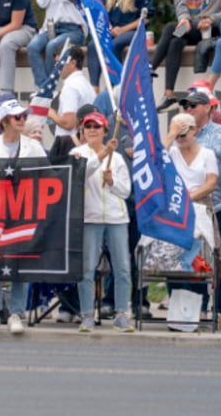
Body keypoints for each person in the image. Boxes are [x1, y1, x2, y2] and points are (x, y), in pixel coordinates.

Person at [0, 96, 47, 335]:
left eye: (24, 116)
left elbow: (48, 176)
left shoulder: (33, 146)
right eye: (18, 116)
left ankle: (17, 313)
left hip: (23, 213)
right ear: (5, 119)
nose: (22, 120)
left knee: (20, 261)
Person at [69, 111, 132, 333]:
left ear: (106, 131)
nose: (92, 130)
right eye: (88, 126)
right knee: (87, 269)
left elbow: (126, 191)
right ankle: (87, 314)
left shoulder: (119, 158)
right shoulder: (77, 153)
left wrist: (112, 181)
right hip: (89, 218)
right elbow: (78, 175)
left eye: (97, 126)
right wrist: (103, 154)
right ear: (82, 131)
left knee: (122, 267)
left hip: (116, 219)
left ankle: (121, 313)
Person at [163, 112, 220, 322]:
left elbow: (211, 182)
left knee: (198, 258)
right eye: (176, 133)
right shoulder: (172, 153)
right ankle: (176, 305)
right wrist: (171, 135)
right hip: (175, 209)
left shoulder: (207, 154)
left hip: (199, 204)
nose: (180, 137)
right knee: (174, 258)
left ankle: (202, 304)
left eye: (184, 132)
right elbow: (156, 160)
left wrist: (189, 197)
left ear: (195, 131)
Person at [182, 88, 221, 316]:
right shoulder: (181, 134)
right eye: (186, 106)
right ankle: (198, 306)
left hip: (216, 204)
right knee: (193, 256)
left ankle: (220, 309)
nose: (188, 109)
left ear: (208, 108)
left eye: (193, 105)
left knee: (218, 256)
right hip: (187, 209)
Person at [87, 0, 154, 91]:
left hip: (133, 31)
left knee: (116, 44)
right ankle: (94, 86)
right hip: (114, 30)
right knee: (93, 44)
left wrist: (122, 30)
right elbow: (103, 14)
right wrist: (109, 26)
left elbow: (146, 18)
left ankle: (116, 85)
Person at [26, 0, 86, 88]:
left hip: (74, 29)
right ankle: (42, 86)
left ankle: (49, 87)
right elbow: (41, 2)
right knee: (32, 46)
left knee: (52, 46)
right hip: (53, 27)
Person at [47, 45, 95, 138]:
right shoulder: (86, 85)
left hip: (68, 145)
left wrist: (51, 113)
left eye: (59, 62)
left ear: (73, 63)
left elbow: (69, 123)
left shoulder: (70, 87)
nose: (56, 67)